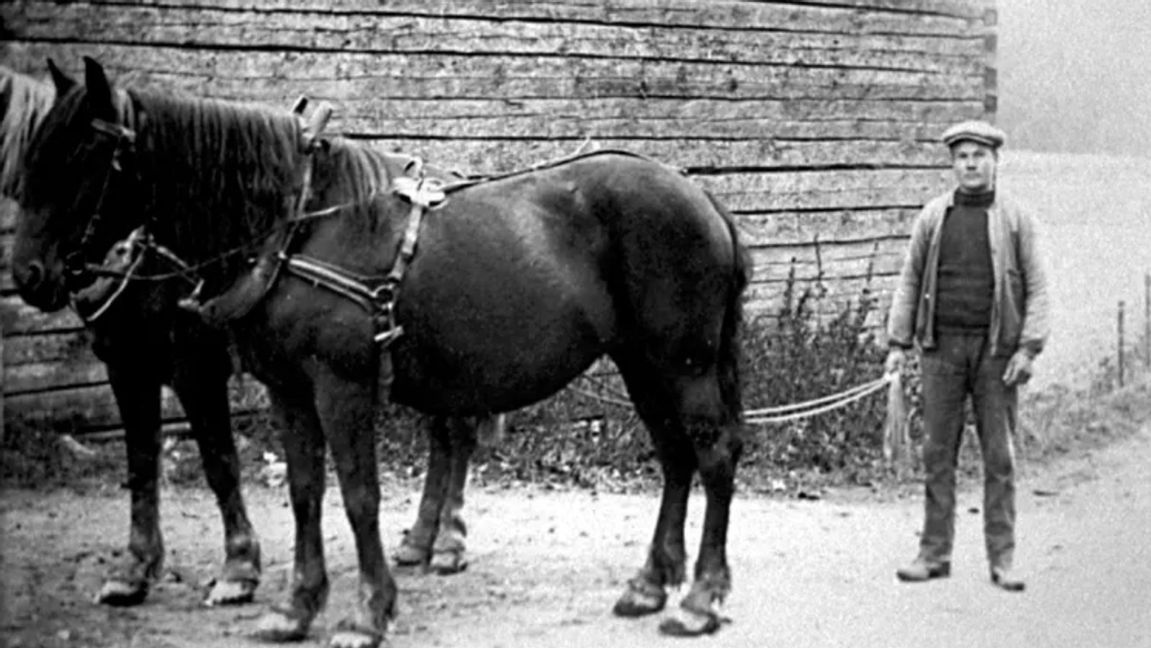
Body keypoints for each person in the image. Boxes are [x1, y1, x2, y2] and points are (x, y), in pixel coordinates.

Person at [885, 119, 1049, 592]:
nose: (971, 164)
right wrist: (898, 345)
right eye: (962, 156)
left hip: (997, 355)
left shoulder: (1015, 219)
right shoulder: (934, 217)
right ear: (952, 164)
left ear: (995, 161)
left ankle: (1003, 559)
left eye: (979, 155)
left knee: (999, 457)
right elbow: (910, 282)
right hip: (941, 351)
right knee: (938, 453)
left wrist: (1029, 348)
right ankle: (933, 553)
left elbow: (1038, 288)